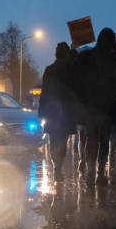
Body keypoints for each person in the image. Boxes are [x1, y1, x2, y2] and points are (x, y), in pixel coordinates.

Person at [75, 28, 116, 187]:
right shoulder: (115, 59)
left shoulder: (87, 56)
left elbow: (78, 77)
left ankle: (90, 170)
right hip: (107, 107)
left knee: (91, 138)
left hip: (90, 106)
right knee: (104, 140)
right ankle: (100, 172)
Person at [39, 42, 77, 184]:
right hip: (66, 112)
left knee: (54, 139)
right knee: (62, 139)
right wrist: (74, 50)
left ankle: (56, 167)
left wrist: (42, 111)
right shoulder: (70, 70)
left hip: (51, 111)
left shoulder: (49, 70)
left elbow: (45, 91)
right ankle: (58, 168)